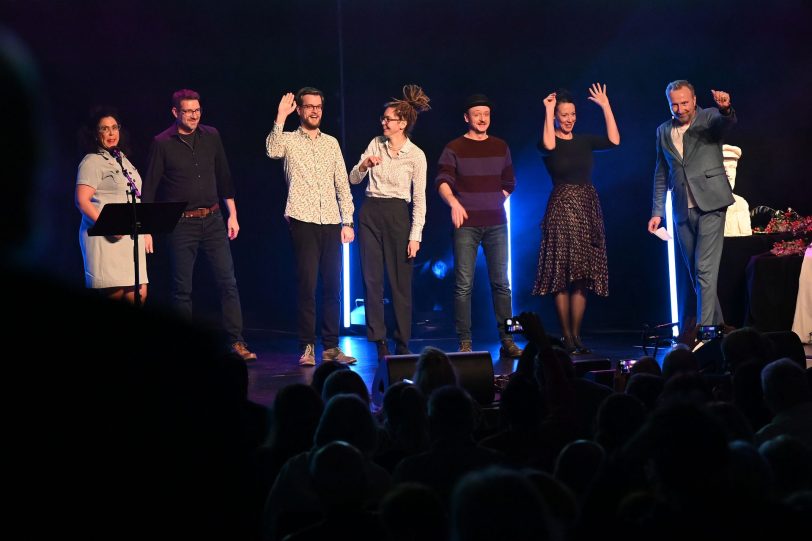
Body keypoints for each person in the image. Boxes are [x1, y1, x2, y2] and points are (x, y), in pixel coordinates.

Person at [142, 88, 256, 361]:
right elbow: (150, 188)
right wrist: (146, 229)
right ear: (175, 112)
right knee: (182, 289)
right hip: (181, 223)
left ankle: (237, 342)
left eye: (197, 110)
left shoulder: (211, 135)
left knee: (228, 282)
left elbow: (224, 176)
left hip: (214, 219)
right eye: (188, 111)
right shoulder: (162, 143)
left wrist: (233, 214)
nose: (193, 116)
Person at [266, 87, 357, 367]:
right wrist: (280, 116)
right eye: (309, 106)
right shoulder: (289, 140)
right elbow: (272, 150)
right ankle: (307, 346)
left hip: (330, 220)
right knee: (307, 285)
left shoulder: (331, 143)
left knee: (333, 286)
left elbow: (342, 184)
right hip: (302, 219)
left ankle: (331, 347)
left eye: (318, 106)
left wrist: (348, 220)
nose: (315, 111)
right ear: (300, 110)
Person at [532, 85, 620, 354]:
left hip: (586, 207)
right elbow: (549, 145)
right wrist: (548, 110)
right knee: (561, 274)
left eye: (572, 114)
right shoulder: (548, 140)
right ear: (556, 117)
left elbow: (614, 140)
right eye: (564, 114)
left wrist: (605, 106)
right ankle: (566, 336)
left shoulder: (584, 141)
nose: (569, 119)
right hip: (562, 208)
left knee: (582, 275)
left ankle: (577, 336)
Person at [436, 94, 522, 358]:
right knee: (463, 285)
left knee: (503, 284)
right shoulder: (454, 147)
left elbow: (509, 182)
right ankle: (464, 341)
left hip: (496, 224)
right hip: (466, 225)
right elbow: (442, 181)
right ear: (467, 118)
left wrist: (493, 201)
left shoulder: (500, 146)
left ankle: (509, 339)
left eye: (486, 114)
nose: (482, 118)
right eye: (477, 114)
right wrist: (454, 203)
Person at [349, 85, 430, 359]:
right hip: (371, 211)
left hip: (397, 214)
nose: (383, 123)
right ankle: (379, 339)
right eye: (383, 118)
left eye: (388, 119)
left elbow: (419, 198)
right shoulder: (375, 144)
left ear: (402, 123)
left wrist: (415, 235)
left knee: (400, 282)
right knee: (372, 279)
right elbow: (353, 179)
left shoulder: (416, 155)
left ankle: (402, 341)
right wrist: (364, 165)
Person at [648, 80, 736, 330]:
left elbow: (726, 122)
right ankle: (719, 328)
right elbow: (661, 172)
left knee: (704, 269)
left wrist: (726, 109)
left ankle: (705, 331)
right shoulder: (663, 131)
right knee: (696, 274)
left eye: (685, 103)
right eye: (674, 104)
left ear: (694, 100)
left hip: (712, 203)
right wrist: (657, 212)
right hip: (681, 209)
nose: (680, 109)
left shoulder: (709, 118)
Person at [76, 106, 151, 302]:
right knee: (115, 294)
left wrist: (145, 231)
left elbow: (135, 197)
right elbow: (82, 201)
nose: (111, 133)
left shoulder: (122, 159)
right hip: (105, 238)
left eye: (114, 127)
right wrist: (109, 225)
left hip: (130, 238)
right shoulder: (92, 161)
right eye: (104, 129)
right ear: (95, 134)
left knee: (138, 294)